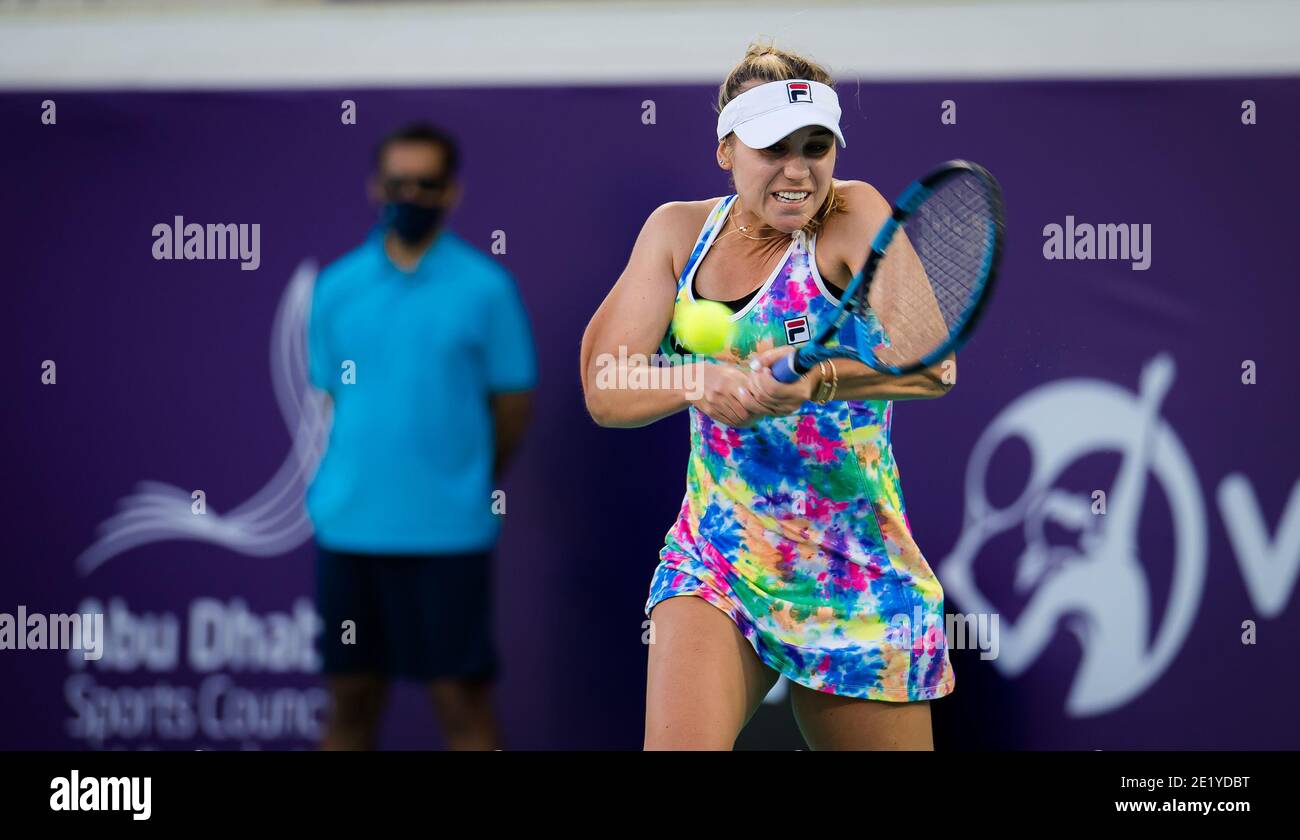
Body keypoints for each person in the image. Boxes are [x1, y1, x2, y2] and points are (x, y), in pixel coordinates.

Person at [580, 43, 956, 750]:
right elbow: (605, 386)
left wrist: (822, 379)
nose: (797, 168)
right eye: (771, 147)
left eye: (816, 146)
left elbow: (934, 366)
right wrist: (697, 379)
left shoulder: (855, 215)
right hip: (719, 557)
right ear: (726, 149)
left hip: (855, 571)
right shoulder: (677, 232)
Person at [306, 123, 536, 750]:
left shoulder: (486, 290)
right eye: (397, 183)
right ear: (375, 186)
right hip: (350, 529)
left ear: (452, 192)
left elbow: (512, 406)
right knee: (350, 700)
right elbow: (333, 396)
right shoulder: (335, 287)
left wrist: (461, 483)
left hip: (448, 535)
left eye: (425, 184)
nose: (409, 195)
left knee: (460, 700)